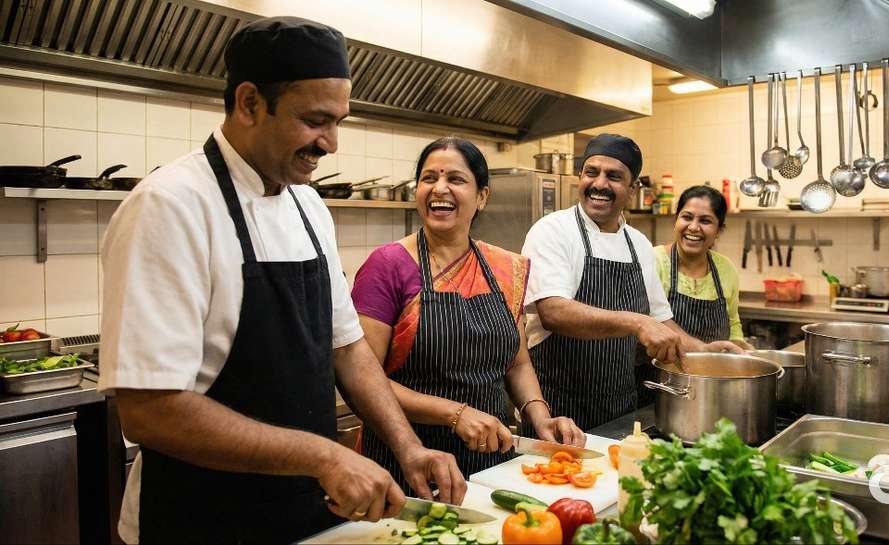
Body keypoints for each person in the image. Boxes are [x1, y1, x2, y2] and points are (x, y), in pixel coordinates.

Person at [97, 17, 464, 544]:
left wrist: (407, 446)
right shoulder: (169, 206)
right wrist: (324, 455)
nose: (331, 143)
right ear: (249, 103)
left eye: (339, 121)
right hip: (199, 520)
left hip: (305, 514)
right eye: (315, 120)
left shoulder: (308, 205)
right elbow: (150, 411)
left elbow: (348, 349)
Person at [351, 137, 585, 487]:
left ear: (482, 197)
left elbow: (517, 362)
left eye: (455, 179)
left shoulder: (506, 268)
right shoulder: (387, 266)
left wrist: (540, 416)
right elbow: (364, 382)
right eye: (429, 178)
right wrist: (454, 414)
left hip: (492, 461)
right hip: (409, 462)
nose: (439, 189)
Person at [520, 134, 742, 431]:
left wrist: (706, 351)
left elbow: (661, 321)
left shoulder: (637, 244)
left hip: (621, 410)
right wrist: (636, 323)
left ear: (632, 187)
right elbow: (554, 312)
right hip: (558, 411)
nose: (599, 184)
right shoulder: (553, 230)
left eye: (613, 176)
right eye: (591, 172)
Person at [653, 185, 751, 346]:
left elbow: (733, 323)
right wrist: (703, 350)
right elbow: (651, 323)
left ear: (719, 230)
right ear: (675, 220)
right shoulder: (654, 261)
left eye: (705, 221)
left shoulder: (726, 269)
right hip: (659, 369)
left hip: (713, 369)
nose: (693, 227)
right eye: (687, 217)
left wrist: (739, 346)